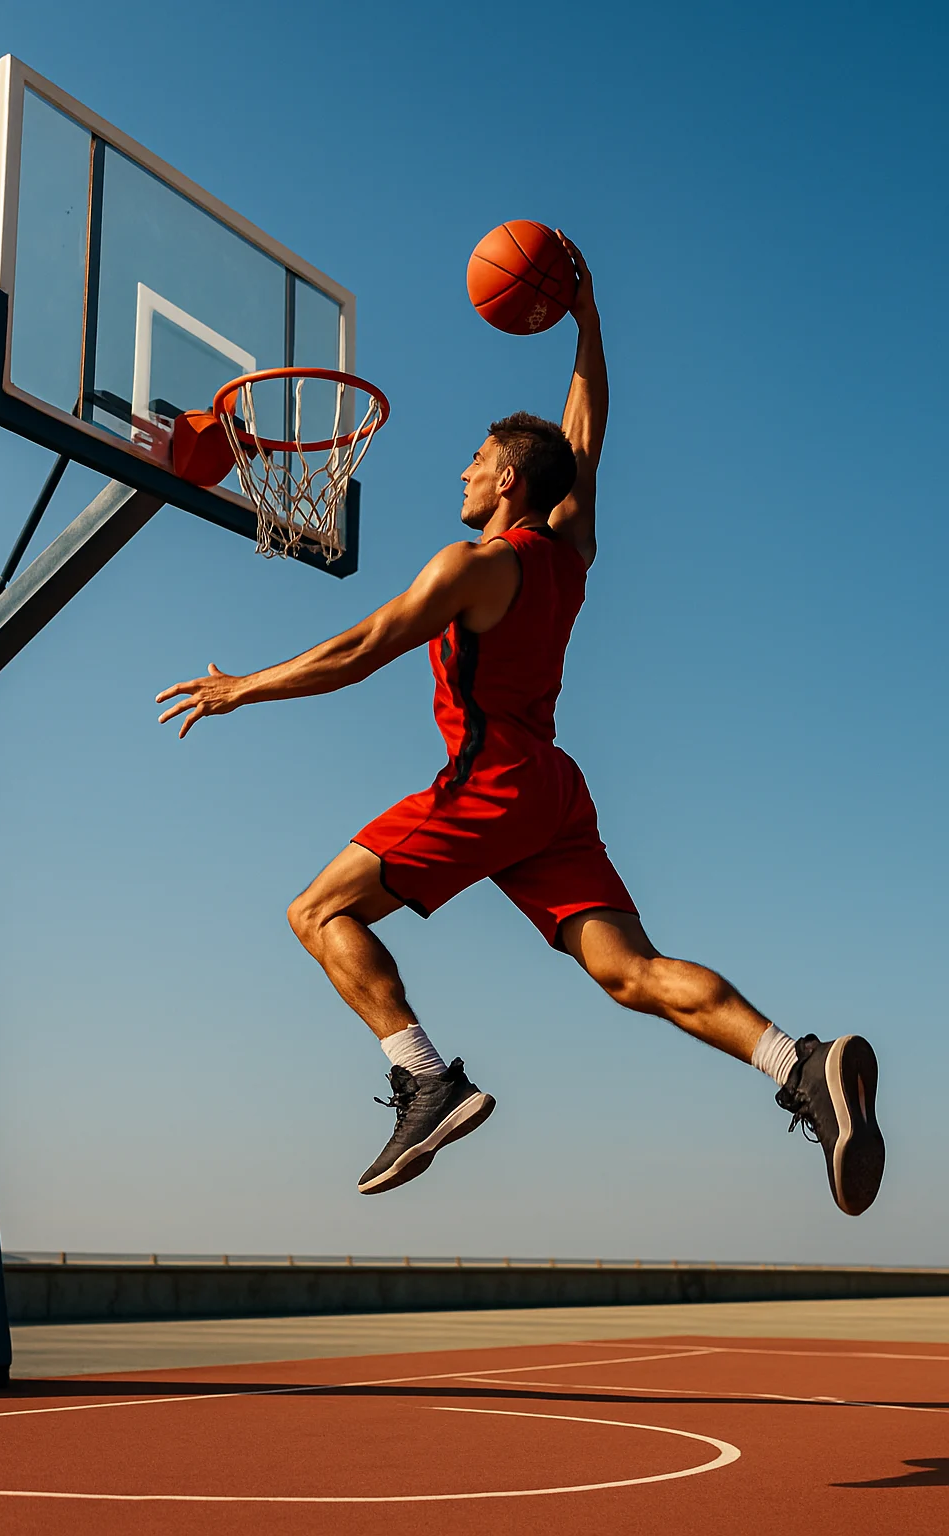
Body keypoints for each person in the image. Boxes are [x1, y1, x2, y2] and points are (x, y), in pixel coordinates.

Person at [157, 234, 885, 1215]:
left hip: (492, 777)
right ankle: (801, 1064)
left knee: (316, 911)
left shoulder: (470, 567)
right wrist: (585, 324)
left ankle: (426, 1082)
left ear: (505, 481)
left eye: (475, 459)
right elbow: (585, 435)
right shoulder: (565, 549)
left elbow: (358, 649)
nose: (461, 470)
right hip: (552, 790)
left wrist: (238, 688)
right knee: (630, 971)